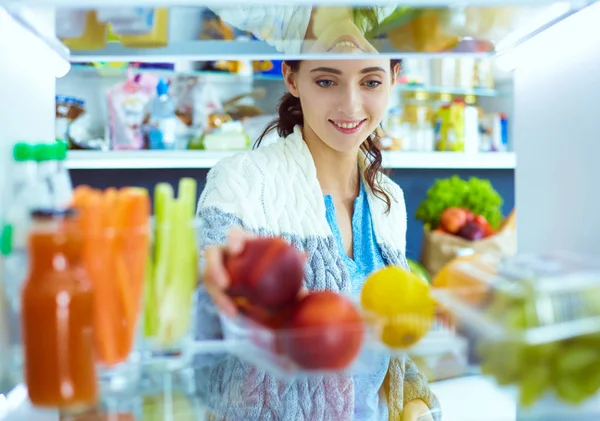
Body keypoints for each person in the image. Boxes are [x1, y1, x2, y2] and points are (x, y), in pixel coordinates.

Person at [194, 55, 440, 421]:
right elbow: (207, 293)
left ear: (393, 79)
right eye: (327, 81)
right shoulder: (241, 181)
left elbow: (383, 347)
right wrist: (210, 278)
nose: (350, 105)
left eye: (370, 82)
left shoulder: (389, 200)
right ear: (292, 79)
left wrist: (419, 402)